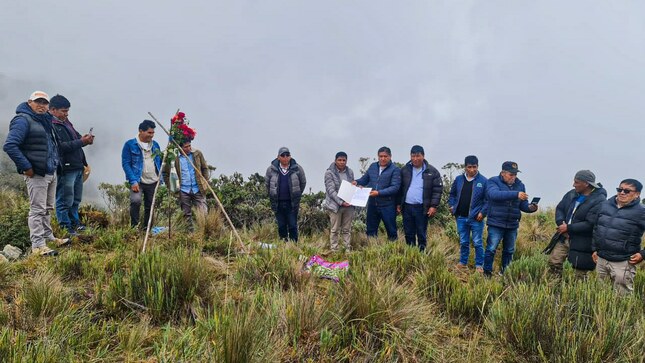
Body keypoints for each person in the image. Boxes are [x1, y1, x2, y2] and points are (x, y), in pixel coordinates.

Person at [3, 91, 69, 256]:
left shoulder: (45, 120)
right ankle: (38, 246)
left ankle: (48, 237)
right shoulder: (23, 120)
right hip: (36, 173)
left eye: (44, 103)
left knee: (47, 208)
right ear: (29, 102)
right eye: (38, 102)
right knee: (37, 209)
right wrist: (26, 167)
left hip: (50, 170)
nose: (41, 105)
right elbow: (10, 145)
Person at [50, 94, 94, 236]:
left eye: (67, 111)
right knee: (64, 199)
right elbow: (60, 147)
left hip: (77, 165)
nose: (66, 114)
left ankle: (75, 223)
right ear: (53, 109)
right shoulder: (51, 125)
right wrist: (82, 142)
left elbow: (75, 137)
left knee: (75, 199)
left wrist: (85, 139)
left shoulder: (65, 122)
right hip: (66, 167)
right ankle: (65, 226)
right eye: (63, 111)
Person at [483, 161, 538, 276]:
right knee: (491, 249)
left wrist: (531, 208)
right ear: (503, 173)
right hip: (496, 223)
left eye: (515, 174)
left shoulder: (520, 185)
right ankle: (487, 272)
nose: (514, 177)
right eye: (511, 174)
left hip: (512, 224)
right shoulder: (493, 182)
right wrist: (516, 194)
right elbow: (494, 195)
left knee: (509, 251)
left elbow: (522, 205)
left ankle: (505, 272)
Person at [548, 170, 606, 278]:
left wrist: (569, 228)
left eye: (577, 182)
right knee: (554, 262)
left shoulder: (599, 200)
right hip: (563, 236)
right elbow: (560, 208)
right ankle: (554, 286)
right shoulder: (571, 194)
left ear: (586, 184)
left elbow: (591, 223)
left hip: (582, 240)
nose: (573, 184)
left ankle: (577, 292)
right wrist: (561, 223)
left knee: (579, 270)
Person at [592, 179, 645, 294]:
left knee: (622, 296)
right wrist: (594, 249)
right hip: (601, 258)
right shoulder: (605, 205)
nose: (622, 193)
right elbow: (596, 227)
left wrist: (643, 254)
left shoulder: (642, 212)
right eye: (619, 189)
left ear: (637, 194)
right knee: (601, 293)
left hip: (623, 261)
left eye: (627, 191)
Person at [396, 145, 443, 251]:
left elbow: (437, 190)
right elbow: (400, 188)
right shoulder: (404, 170)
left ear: (423, 156)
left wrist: (433, 206)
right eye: (413, 156)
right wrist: (398, 204)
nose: (415, 159)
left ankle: (422, 255)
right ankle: (411, 254)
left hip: (422, 208)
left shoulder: (432, 171)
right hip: (407, 207)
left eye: (418, 156)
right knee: (408, 232)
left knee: (421, 232)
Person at [448, 155, 488, 272]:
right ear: (465, 167)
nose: (472, 170)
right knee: (464, 241)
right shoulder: (459, 179)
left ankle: (479, 265)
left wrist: (482, 212)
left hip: (476, 218)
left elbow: (487, 200)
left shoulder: (483, 181)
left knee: (477, 242)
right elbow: (452, 194)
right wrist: (452, 205)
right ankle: (463, 262)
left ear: (478, 166)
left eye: (474, 167)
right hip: (461, 217)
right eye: (469, 167)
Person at [354, 146, 401, 241]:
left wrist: (379, 193)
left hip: (387, 205)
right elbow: (365, 179)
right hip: (372, 204)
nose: (383, 158)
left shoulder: (395, 169)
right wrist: (356, 182)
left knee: (391, 231)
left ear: (390, 156)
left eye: (385, 156)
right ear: (378, 156)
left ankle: (393, 251)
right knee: (371, 231)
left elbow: (395, 187)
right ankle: (372, 250)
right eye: (381, 156)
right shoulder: (373, 167)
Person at [121, 120, 161, 229]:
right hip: (138, 180)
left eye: (153, 133)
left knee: (150, 206)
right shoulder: (130, 144)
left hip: (153, 180)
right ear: (140, 131)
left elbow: (159, 161)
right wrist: (133, 181)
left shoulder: (155, 145)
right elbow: (126, 164)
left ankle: (147, 229)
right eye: (149, 133)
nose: (151, 135)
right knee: (135, 201)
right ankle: (134, 227)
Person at [163, 140, 210, 228]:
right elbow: (166, 174)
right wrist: (171, 186)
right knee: (186, 214)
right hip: (183, 190)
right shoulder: (173, 157)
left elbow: (204, 168)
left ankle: (204, 231)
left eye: (189, 146)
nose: (188, 148)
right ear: (180, 147)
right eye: (186, 147)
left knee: (203, 212)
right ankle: (189, 234)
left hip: (197, 188)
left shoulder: (197, 154)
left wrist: (205, 181)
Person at [265, 147, 306, 242]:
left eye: (287, 155)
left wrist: (297, 194)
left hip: (292, 203)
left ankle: (293, 246)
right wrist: (273, 195)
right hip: (278, 203)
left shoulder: (297, 168)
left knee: (292, 225)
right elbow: (267, 184)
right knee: (281, 225)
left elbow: (303, 183)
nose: (285, 157)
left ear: (290, 156)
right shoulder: (271, 169)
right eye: (283, 155)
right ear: (278, 157)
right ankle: (283, 246)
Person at [322, 151, 355, 251]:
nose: (341, 162)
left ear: (346, 161)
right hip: (335, 206)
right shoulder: (329, 173)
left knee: (346, 229)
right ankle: (334, 250)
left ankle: (346, 249)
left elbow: (351, 187)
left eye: (344, 160)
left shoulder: (350, 172)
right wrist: (341, 202)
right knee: (335, 229)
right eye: (339, 160)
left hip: (348, 206)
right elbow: (331, 190)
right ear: (335, 160)